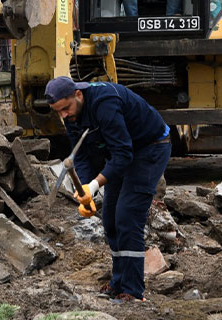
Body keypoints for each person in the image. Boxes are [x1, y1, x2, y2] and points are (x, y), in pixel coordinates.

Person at [45, 76, 172, 303]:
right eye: (58, 111)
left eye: (65, 108)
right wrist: (86, 189)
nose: (63, 115)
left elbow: (124, 154)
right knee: (111, 219)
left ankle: (133, 291)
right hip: (120, 154)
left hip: (150, 148)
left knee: (128, 215)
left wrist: (95, 185)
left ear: (78, 95)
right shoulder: (71, 115)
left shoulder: (105, 103)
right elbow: (81, 155)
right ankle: (119, 282)